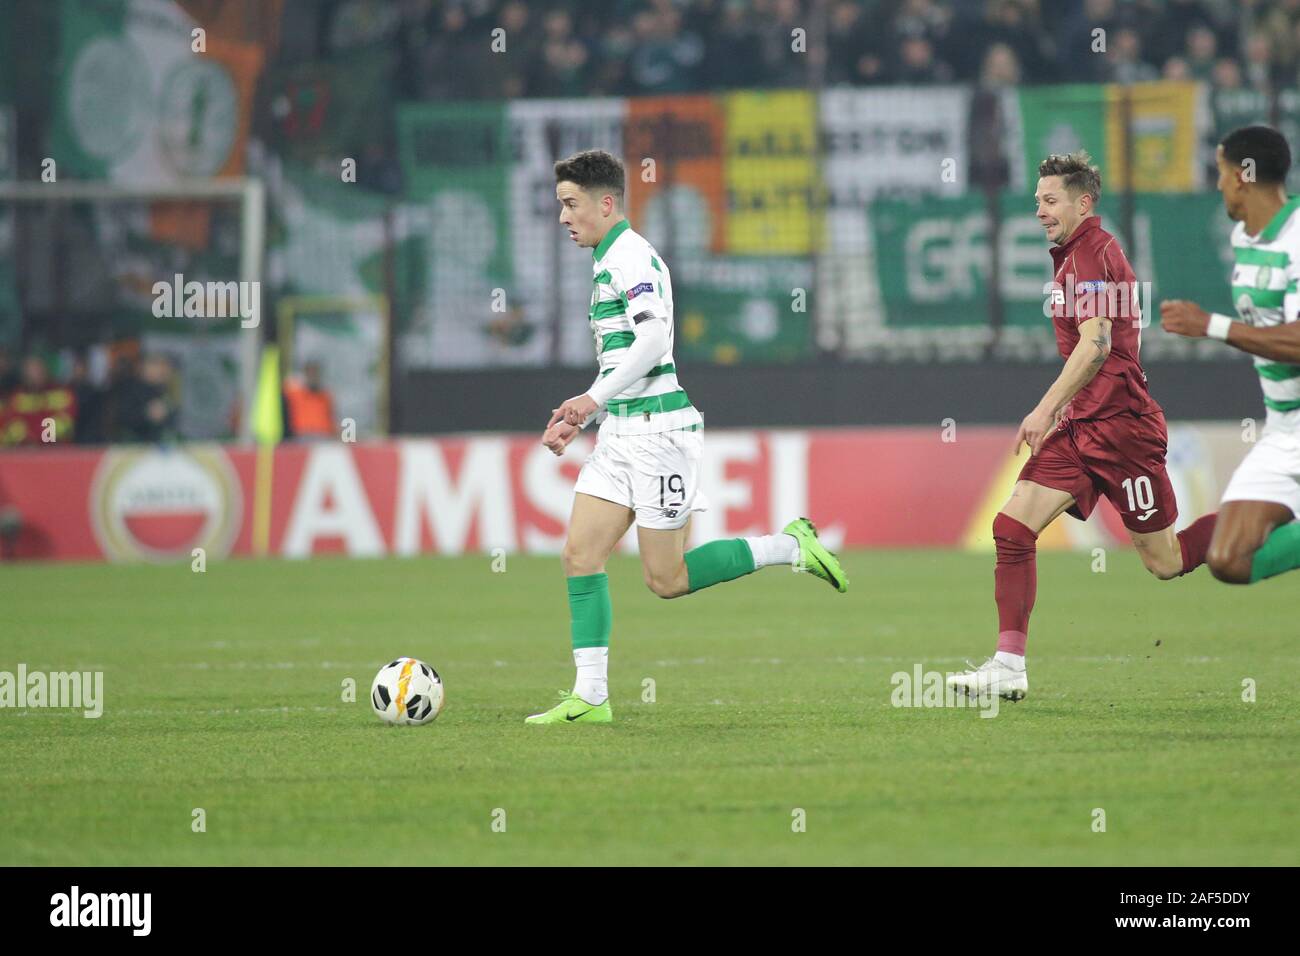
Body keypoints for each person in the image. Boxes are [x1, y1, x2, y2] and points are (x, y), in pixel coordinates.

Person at [526, 149, 846, 726]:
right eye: (559, 206)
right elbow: (626, 361)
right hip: (620, 435)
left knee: (665, 580)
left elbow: (654, 342)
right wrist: (584, 416)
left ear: (606, 203)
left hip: (660, 437)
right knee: (580, 555)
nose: (563, 218)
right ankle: (591, 697)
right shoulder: (605, 262)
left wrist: (591, 401)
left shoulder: (633, 258)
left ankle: (791, 547)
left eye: (571, 205)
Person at [948, 150, 1217, 702]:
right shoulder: (1075, 255)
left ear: (1083, 202)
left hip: (1122, 430)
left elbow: (1095, 345)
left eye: (1050, 201)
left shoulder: (1092, 254)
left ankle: (1250, 520)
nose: (1039, 211)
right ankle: (1008, 664)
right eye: (1037, 201)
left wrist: (1044, 409)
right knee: (1013, 526)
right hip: (1084, 426)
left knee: (1165, 562)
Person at [1161, 125, 1300, 585]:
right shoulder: (1244, 240)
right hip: (1283, 430)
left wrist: (1212, 326)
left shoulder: (1297, 236)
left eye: (1220, 171)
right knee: (1227, 559)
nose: (1217, 183)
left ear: (1243, 174)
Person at [283, 361, 336, 439]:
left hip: (323, 436)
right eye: (310, 373)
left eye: (315, 374)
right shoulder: (295, 393)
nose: (313, 377)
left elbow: (332, 418)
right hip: (301, 436)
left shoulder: (326, 396)